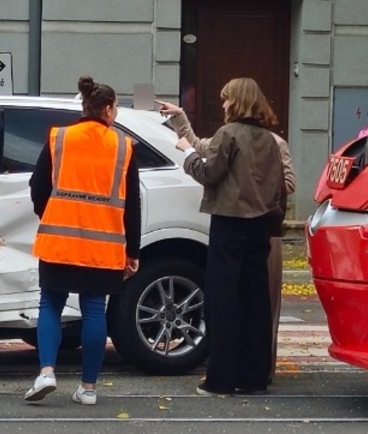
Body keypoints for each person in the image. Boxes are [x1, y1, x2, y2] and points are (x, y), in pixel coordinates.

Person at [158, 96, 296, 385]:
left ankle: (222, 377)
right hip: (261, 226)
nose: (222, 104)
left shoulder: (230, 133)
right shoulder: (271, 140)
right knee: (256, 301)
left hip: (231, 223)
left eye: (227, 99)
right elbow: (201, 144)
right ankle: (255, 376)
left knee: (224, 301)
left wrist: (187, 156)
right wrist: (181, 117)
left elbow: (207, 167)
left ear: (239, 102)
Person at [23, 75, 141, 406]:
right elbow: (132, 204)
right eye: (116, 107)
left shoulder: (60, 138)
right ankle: (88, 388)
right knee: (93, 310)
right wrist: (133, 251)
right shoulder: (122, 146)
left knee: (50, 304)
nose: (116, 113)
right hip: (103, 245)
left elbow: (37, 184)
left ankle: (47, 372)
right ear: (106, 109)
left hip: (59, 239)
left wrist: (50, 212)